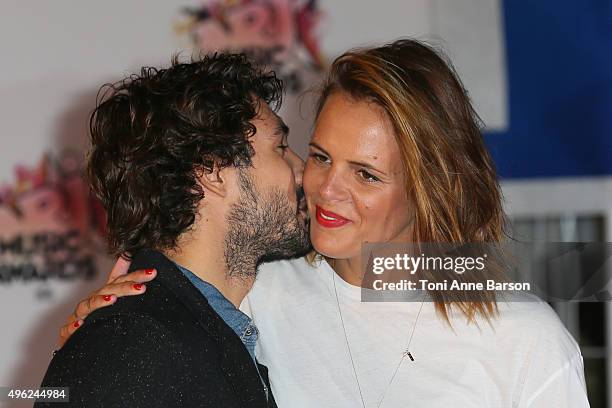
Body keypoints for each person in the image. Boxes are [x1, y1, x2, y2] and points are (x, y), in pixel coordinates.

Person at [59, 39, 590, 407]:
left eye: (366, 173)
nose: (325, 188)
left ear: (430, 187)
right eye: (318, 155)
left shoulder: (523, 339)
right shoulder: (258, 290)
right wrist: (111, 325)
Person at [36, 53, 311, 407]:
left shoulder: (187, 331)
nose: (302, 169)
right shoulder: (132, 343)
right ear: (212, 171)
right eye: (281, 148)